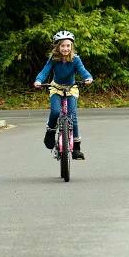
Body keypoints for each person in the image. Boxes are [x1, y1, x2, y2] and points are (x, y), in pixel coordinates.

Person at [34, 30, 93, 160]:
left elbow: (83, 71)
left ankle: (76, 148)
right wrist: (39, 80)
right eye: (62, 46)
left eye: (68, 46)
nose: (65, 48)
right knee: (55, 111)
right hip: (56, 88)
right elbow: (45, 71)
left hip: (71, 89)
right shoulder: (53, 59)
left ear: (71, 46)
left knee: (73, 116)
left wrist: (88, 77)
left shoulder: (76, 59)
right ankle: (50, 132)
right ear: (57, 47)